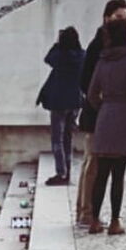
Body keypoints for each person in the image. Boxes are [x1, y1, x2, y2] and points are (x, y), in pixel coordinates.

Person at [86, 17, 126, 235]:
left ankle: (94, 220)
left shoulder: (103, 60)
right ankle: (114, 221)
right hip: (125, 117)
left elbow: (92, 93)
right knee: (118, 174)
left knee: (101, 172)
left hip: (105, 116)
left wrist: (103, 107)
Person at [76, 0, 126, 226]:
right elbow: (85, 81)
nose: (124, 22)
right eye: (119, 18)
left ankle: (86, 211)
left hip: (110, 116)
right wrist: (103, 105)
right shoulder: (98, 45)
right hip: (95, 115)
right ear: (107, 18)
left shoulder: (122, 47)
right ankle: (86, 212)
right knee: (93, 164)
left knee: (96, 164)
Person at [37, 27, 84, 185]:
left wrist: (57, 43)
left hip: (59, 102)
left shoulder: (60, 55)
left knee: (57, 139)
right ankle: (67, 171)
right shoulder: (82, 55)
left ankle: (61, 172)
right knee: (68, 139)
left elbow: (48, 58)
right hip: (75, 102)